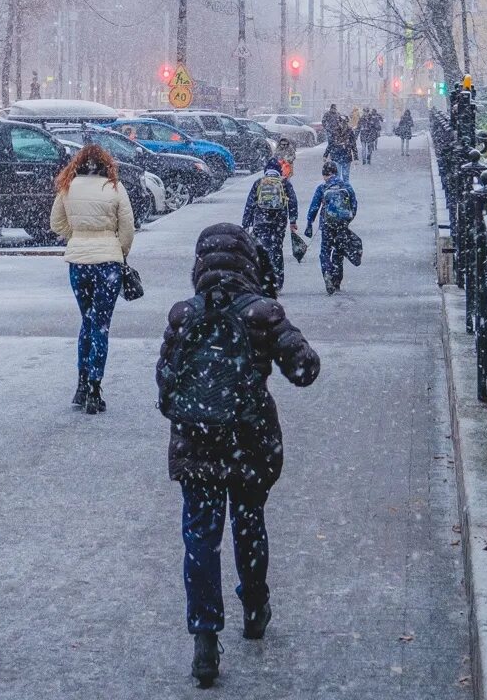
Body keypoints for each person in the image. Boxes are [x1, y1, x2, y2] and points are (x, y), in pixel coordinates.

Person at [157, 224, 321, 688]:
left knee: (200, 538)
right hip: (248, 442)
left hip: (196, 444)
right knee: (249, 523)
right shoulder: (262, 313)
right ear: (248, 260)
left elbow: (165, 385)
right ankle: (254, 606)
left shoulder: (183, 315)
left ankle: (205, 639)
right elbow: (305, 370)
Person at [50, 141, 135, 415]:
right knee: (101, 325)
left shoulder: (68, 187)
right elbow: (128, 228)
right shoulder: (114, 188)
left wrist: (77, 236)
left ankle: (81, 384)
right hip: (108, 262)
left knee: (86, 321)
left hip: (78, 262)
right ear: (105, 164)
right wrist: (119, 251)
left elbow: (56, 224)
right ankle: (95, 388)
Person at [239, 159, 298, 294]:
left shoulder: (259, 183)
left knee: (261, 250)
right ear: (279, 170)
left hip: (261, 221)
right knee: (277, 250)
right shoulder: (284, 183)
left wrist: (246, 224)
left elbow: (250, 204)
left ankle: (263, 281)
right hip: (279, 222)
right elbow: (293, 202)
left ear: (266, 170)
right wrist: (293, 220)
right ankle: (277, 282)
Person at [303, 158, 360, 295]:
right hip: (342, 225)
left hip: (327, 225)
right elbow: (354, 205)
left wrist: (309, 223)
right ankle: (336, 281)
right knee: (339, 252)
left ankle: (327, 273)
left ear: (325, 174)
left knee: (325, 251)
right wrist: (347, 219)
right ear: (336, 172)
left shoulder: (322, 188)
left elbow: (314, 207)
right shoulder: (346, 186)